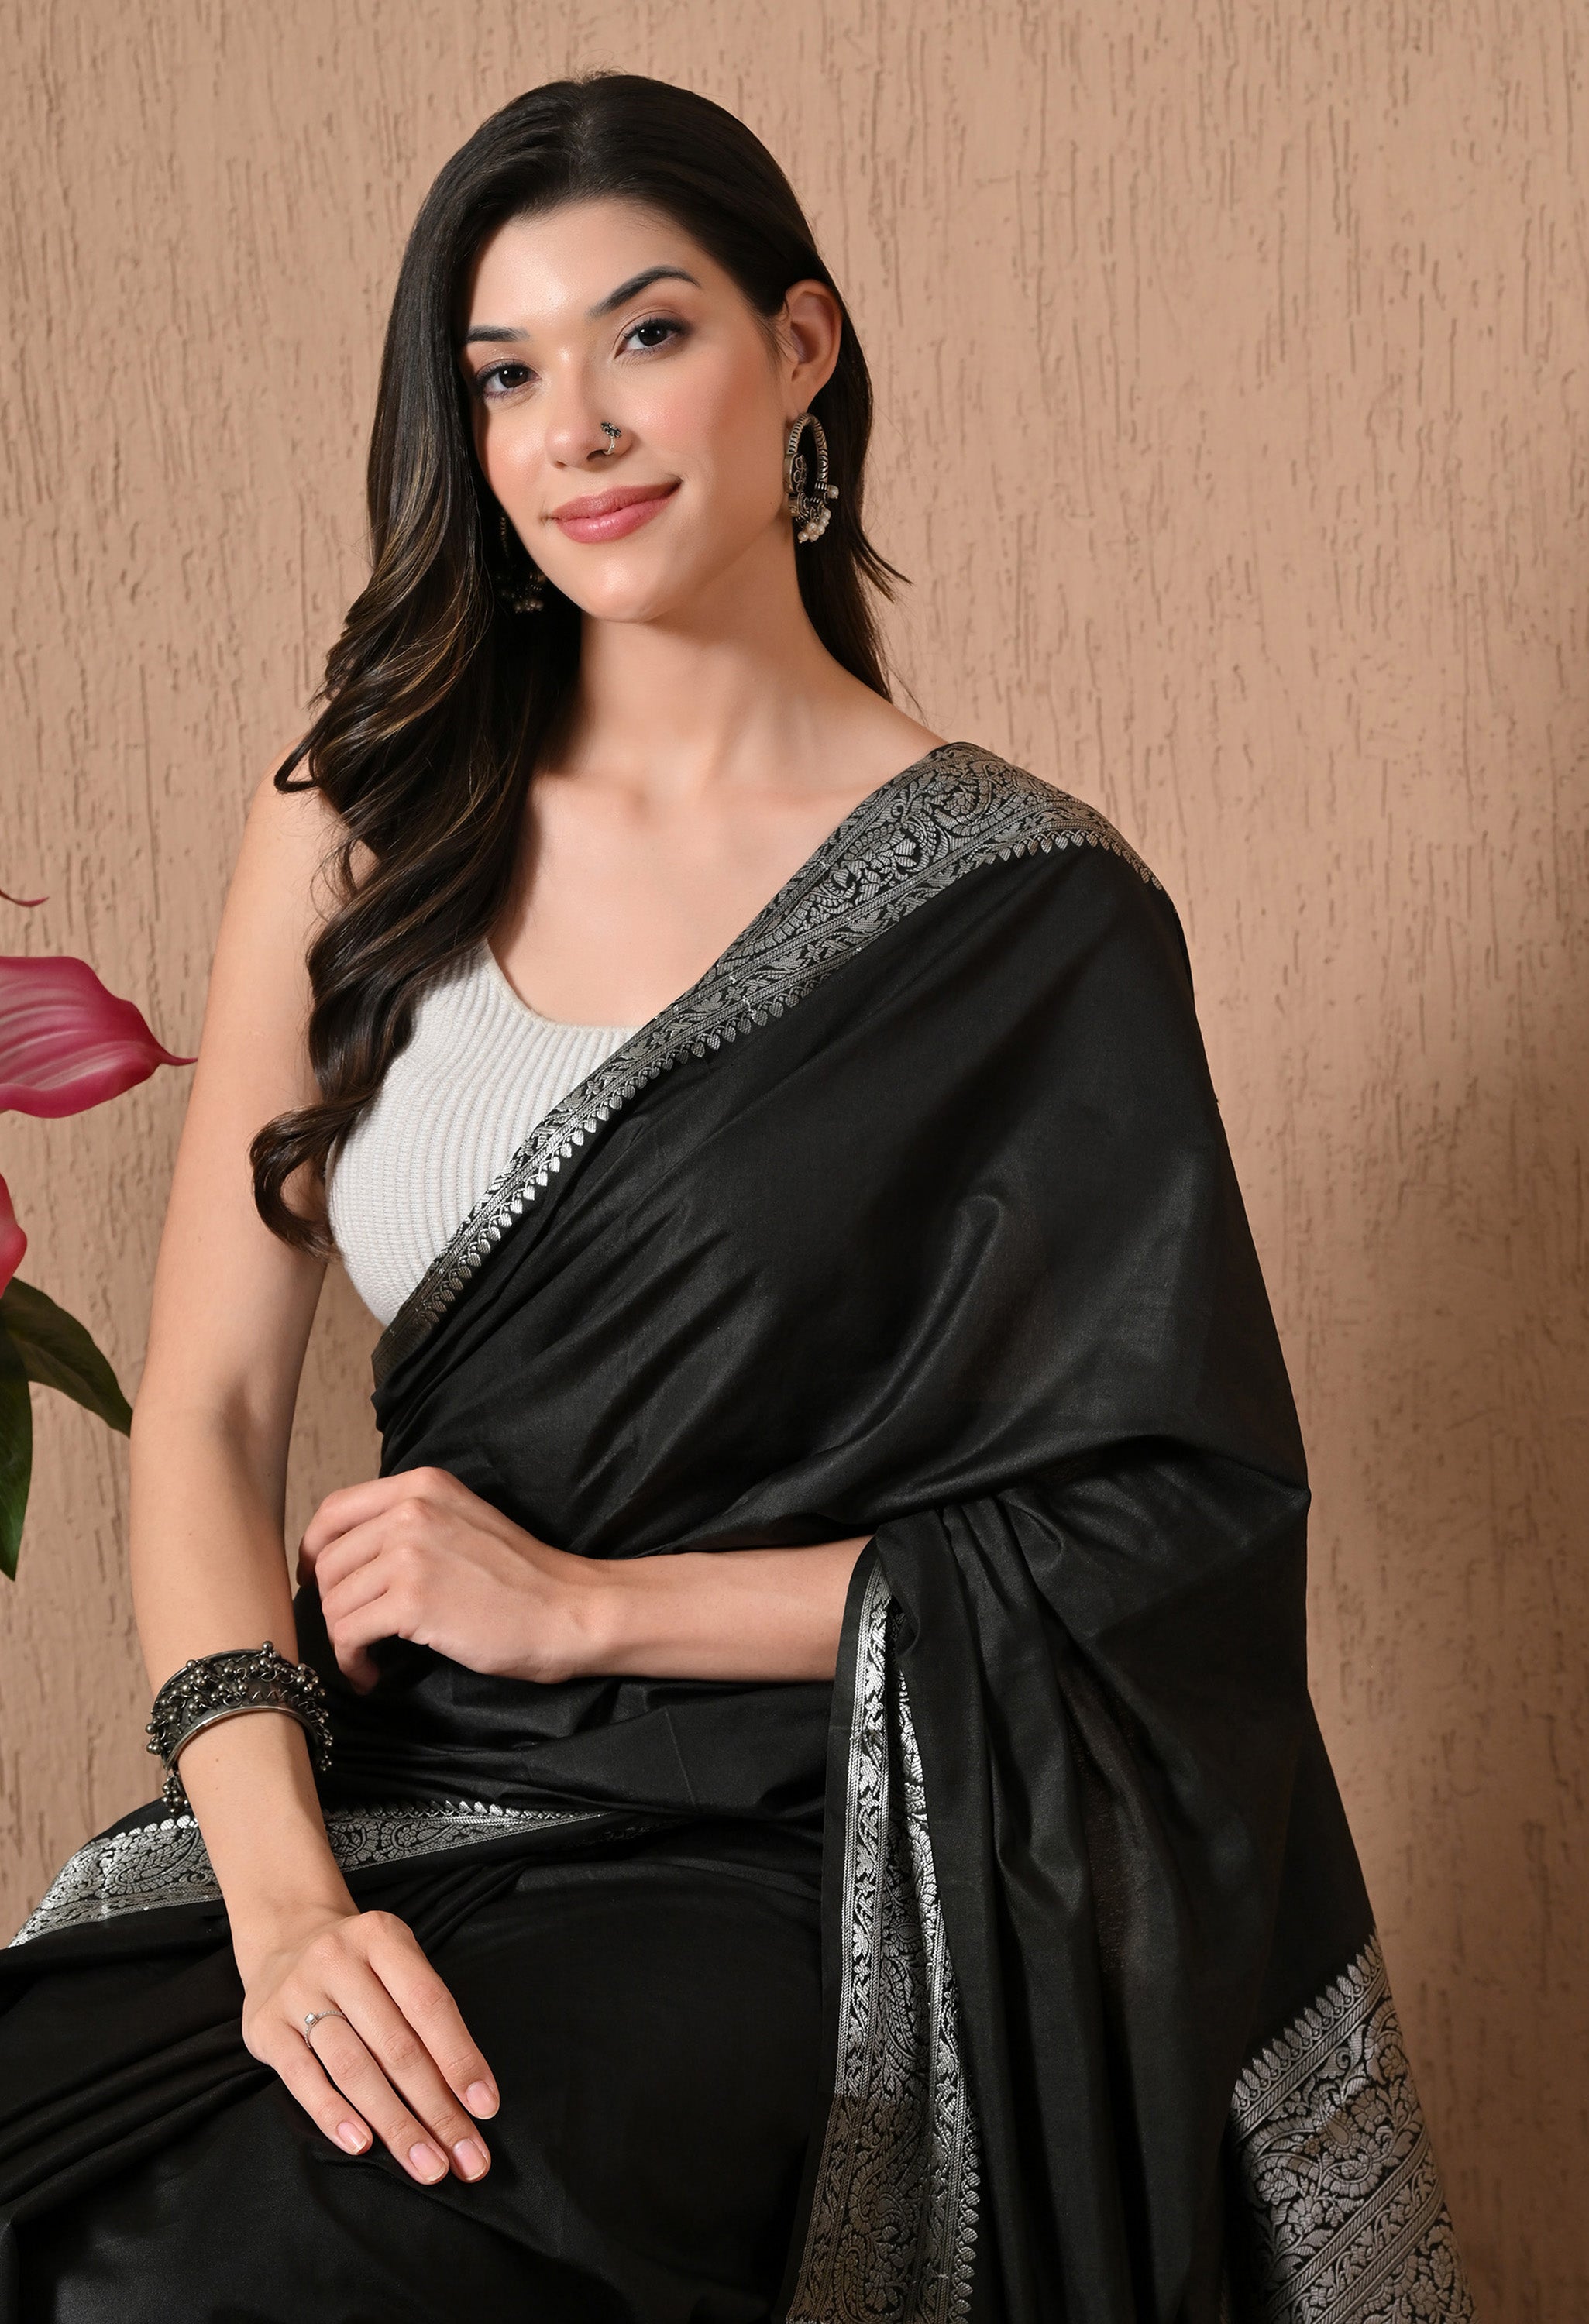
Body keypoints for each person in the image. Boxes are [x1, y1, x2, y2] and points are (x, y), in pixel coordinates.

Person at [0, 72, 1474, 2324]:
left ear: (801, 353)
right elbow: (201, 1411)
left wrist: (587, 1609)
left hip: (805, 1843)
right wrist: (285, 1904)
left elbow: (1156, 1547)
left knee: (291, 2259)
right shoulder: (357, 825)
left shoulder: (1025, 919)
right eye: (504, 373)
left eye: (645, 335)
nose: (571, 424)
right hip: (371, 1801)